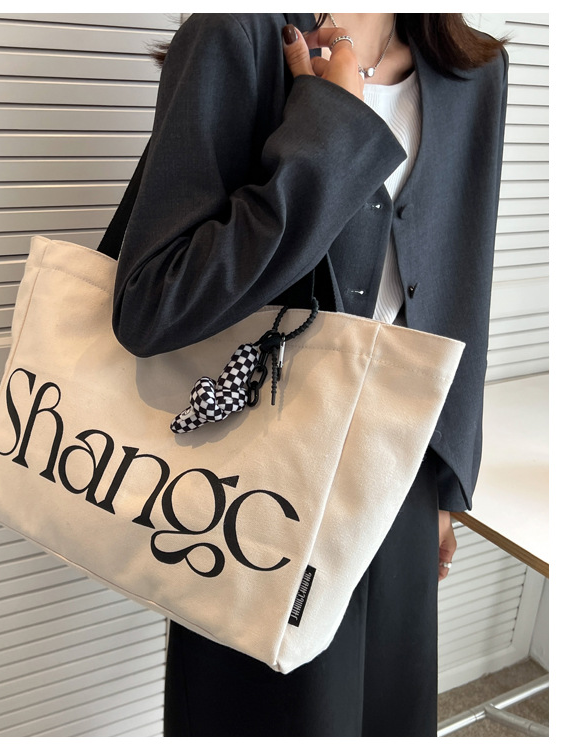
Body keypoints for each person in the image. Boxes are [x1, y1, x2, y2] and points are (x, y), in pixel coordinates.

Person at [110, 13, 508, 737]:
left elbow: (464, 281)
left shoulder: (471, 71)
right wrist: (328, 132)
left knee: (386, 714)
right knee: (271, 716)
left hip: (403, 470)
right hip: (251, 480)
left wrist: (447, 485)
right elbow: (153, 305)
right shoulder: (237, 36)